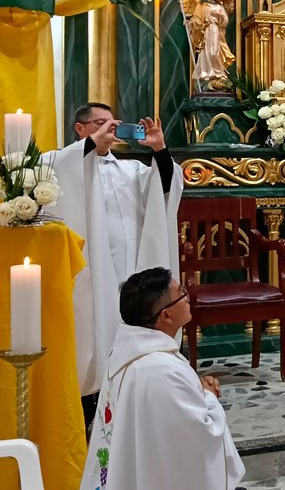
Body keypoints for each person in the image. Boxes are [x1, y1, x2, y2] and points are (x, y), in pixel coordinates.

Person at [45, 103, 184, 430]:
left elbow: (163, 186)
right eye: (98, 123)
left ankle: (133, 400)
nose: (109, 129)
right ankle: (88, 406)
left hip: (130, 268)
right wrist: (92, 145)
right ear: (80, 129)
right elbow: (55, 175)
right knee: (93, 333)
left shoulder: (129, 170)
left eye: (113, 124)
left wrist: (160, 150)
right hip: (88, 272)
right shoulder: (61, 162)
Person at [81, 267, 244, 490]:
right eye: (181, 293)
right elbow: (202, 435)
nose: (188, 297)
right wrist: (208, 395)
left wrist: (196, 389)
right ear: (166, 315)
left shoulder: (123, 354)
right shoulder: (163, 370)